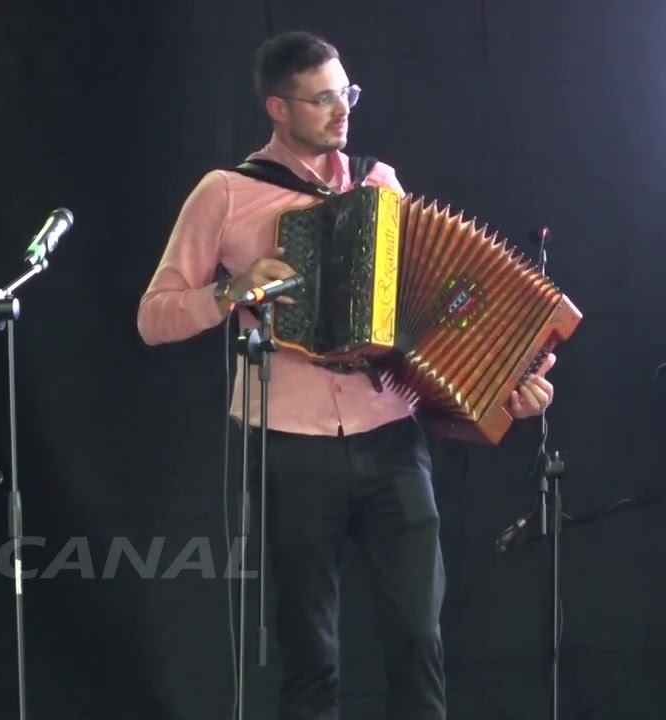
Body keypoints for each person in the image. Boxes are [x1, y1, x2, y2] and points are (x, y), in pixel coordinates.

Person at [136, 32, 556, 720]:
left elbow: (426, 315)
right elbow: (153, 317)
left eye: (347, 93)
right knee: (312, 647)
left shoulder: (377, 182)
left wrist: (505, 384)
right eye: (323, 97)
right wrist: (230, 291)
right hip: (289, 446)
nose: (342, 110)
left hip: (391, 436)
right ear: (278, 106)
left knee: (420, 636)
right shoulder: (227, 192)